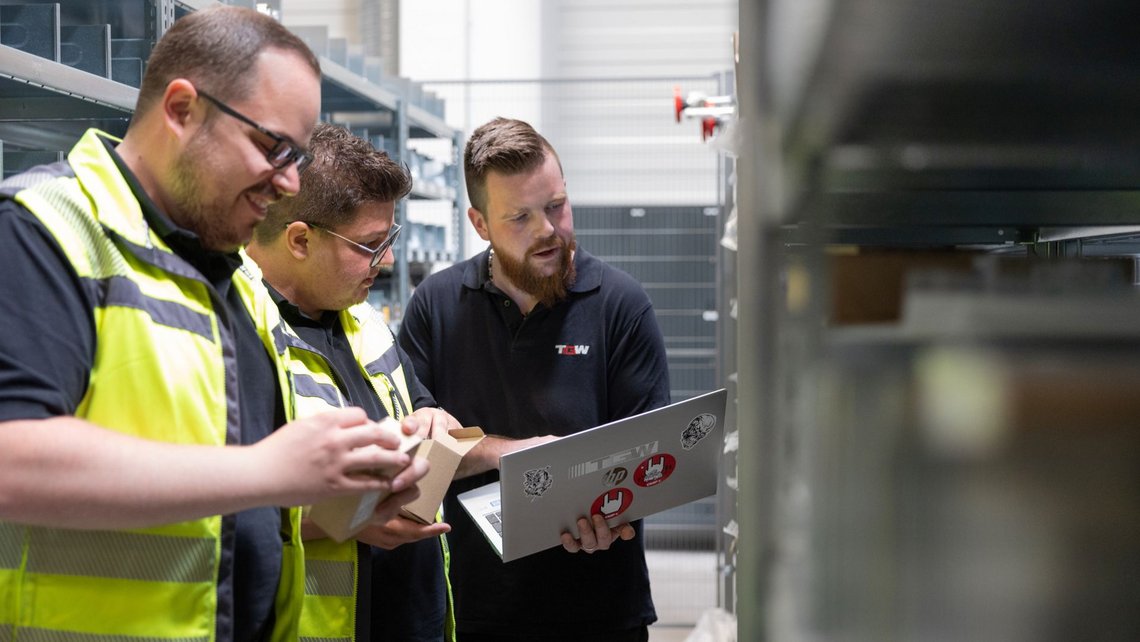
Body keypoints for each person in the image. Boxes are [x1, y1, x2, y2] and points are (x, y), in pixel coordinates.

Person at [0, 7, 427, 641]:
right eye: (272, 148)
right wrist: (273, 471)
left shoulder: (226, 277)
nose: (287, 184)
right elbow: (12, 459)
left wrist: (346, 498)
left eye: (298, 157)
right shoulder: (45, 231)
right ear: (181, 110)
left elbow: (223, 494)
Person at [398, 117, 672, 641]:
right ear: (480, 224)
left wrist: (613, 513)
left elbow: (651, 457)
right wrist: (508, 453)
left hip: (601, 612)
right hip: (471, 612)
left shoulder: (621, 306)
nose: (547, 230)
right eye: (520, 217)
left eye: (556, 206)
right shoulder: (436, 307)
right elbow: (414, 457)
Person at [247, 122, 460, 642]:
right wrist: (348, 519)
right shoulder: (238, 330)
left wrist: (434, 422)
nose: (386, 261)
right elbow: (218, 503)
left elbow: (419, 409)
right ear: (300, 239)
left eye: (390, 238)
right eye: (370, 244)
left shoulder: (361, 318)